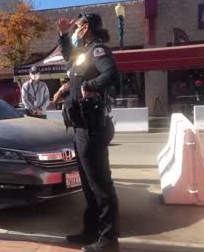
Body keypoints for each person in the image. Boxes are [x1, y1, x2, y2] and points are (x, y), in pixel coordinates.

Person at [57, 14, 120, 252]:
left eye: (77, 26)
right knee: (88, 185)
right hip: (80, 127)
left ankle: (108, 240)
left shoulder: (98, 51)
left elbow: (111, 74)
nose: (75, 30)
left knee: (100, 185)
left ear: (87, 28)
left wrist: (88, 86)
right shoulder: (83, 53)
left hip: (92, 126)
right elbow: (68, 56)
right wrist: (64, 35)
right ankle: (91, 231)